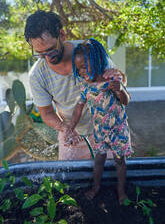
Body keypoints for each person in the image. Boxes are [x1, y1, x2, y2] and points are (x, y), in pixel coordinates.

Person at [24, 10, 123, 160]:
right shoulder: (37, 75)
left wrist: (118, 77)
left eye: (50, 50)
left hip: (107, 129)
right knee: (69, 181)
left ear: (62, 35)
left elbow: (120, 82)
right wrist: (66, 129)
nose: (47, 58)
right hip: (73, 135)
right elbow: (47, 113)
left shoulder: (91, 52)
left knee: (111, 179)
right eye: (40, 53)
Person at [65, 38, 133, 204]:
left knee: (120, 160)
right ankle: (96, 187)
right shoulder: (86, 87)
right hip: (100, 131)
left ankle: (121, 190)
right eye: (78, 68)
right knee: (99, 159)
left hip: (118, 130)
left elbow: (126, 101)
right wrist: (70, 127)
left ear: (97, 61)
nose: (81, 71)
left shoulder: (111, 81)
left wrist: (120, 89)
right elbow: (78, 108)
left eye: (83, 67)